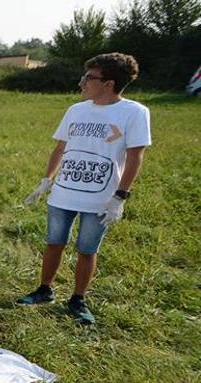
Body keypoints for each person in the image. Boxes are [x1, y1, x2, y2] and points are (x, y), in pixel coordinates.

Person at [18, 53, 151, 325]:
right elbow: (60, 147)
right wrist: (46, 180)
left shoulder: (134, 113)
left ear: (108, 83)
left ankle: (78, 299)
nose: (82, 83)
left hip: (100, 198)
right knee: (54, 242)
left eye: (89, 78)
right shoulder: (76, 111)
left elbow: (135, 157)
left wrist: (119, 197)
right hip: (64, 192)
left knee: (87, 249)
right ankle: (45, 290)